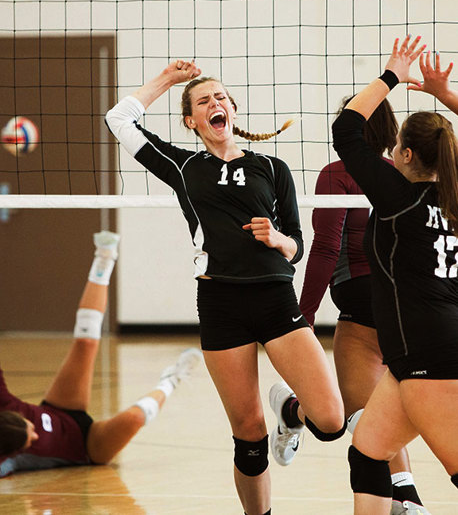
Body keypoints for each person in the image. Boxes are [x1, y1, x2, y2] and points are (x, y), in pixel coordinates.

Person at [105, 61, 346, 515]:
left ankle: (289, 412)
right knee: (248, 433)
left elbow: (296, 246)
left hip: (275, 298)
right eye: (203, 101)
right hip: (221, 303)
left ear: (232, 109)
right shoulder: (182, 165)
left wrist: (278, 239)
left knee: (331, 422)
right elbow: (118, 119)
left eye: (220, 97)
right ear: (191, 121)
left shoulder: (273, 168)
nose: (215, 103)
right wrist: (170, 80)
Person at [332, 36, 458, 515]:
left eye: (398, 146)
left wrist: (390, 76)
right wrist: (444, 97)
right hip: (415, 355)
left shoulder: (398, 198)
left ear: (404, 156)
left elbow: (347, 129)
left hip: (433, 357)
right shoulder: (454, 198)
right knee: (367, 454)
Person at [0, 230, 202, 481]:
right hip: (88, 447)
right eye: (30, 441)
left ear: (14, 416)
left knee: (86, 343)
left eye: (30, 429)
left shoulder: (1, 401)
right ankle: (172, 379)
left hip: (61, 409)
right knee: (134, 417)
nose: (35, 436)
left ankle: (105, 257)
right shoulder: (13, 456)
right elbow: (3, 466)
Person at [300, 99, 429, 514]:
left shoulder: (339, 173)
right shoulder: (408, 176)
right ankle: (408, 496)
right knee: (372, 413)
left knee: (355, 420)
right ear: (393, 134)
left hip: (360, 300)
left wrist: (301, 318)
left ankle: (290, 408)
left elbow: (325, 247)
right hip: (407, 304)